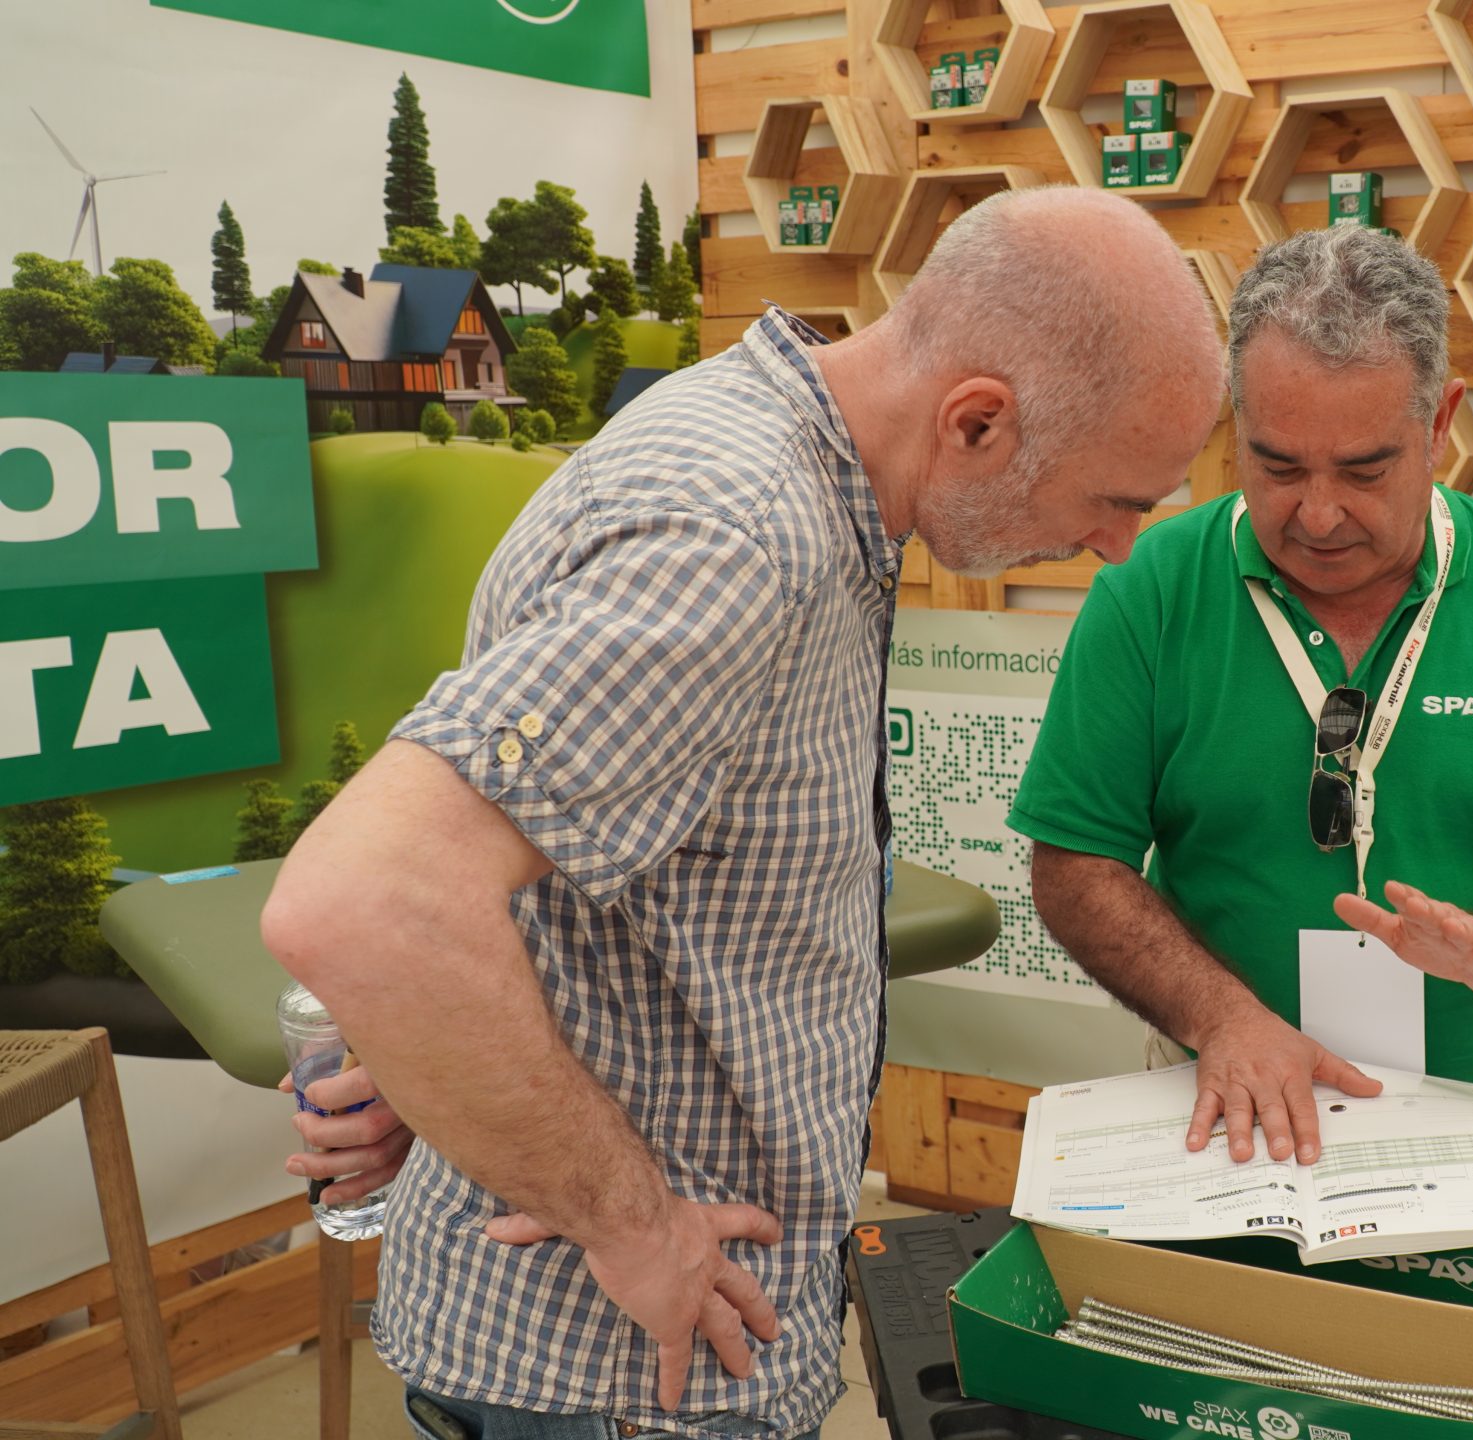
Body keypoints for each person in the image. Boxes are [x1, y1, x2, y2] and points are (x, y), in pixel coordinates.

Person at [259, 186, 1224, 1440]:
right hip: (620, 1377)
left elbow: (534, 862)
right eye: (1116, 500)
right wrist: (631, 1225)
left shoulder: (768, 447)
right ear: (977, 421)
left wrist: (443, 1071)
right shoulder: (736, 539)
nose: (1119, 547)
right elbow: (366, 899)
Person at [1008, 226, 1473, 1168]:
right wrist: (1222, 1017)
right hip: (1221, 1098)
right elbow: (1076, 860)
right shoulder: (1149, 588)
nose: (1318, 515)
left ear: (1440, 424)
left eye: (1365, 470)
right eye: (1278, 467)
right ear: (1236, 423)